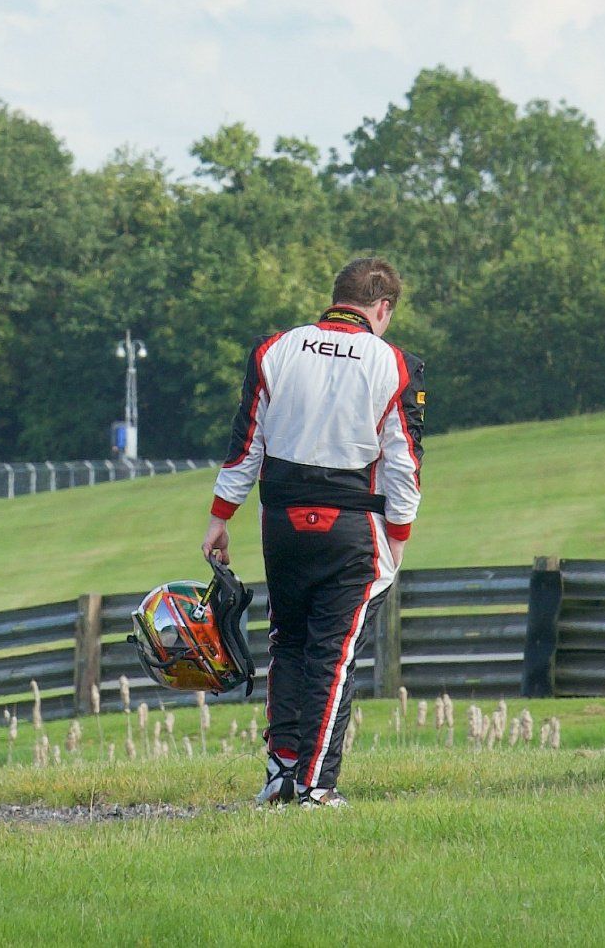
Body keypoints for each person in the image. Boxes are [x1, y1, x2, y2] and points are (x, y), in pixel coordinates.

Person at [201, 257, 425, 808]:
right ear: (383, 308)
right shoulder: (396, 365)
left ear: (336, 297)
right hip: (352, 526)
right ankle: (316, 787)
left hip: (280, 523)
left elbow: (245, 441)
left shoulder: (273, 349)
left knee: (288, 645)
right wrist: (398, 534)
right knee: (335, 655)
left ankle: (279, 775)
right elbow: (403, 463)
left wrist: (220, 517)